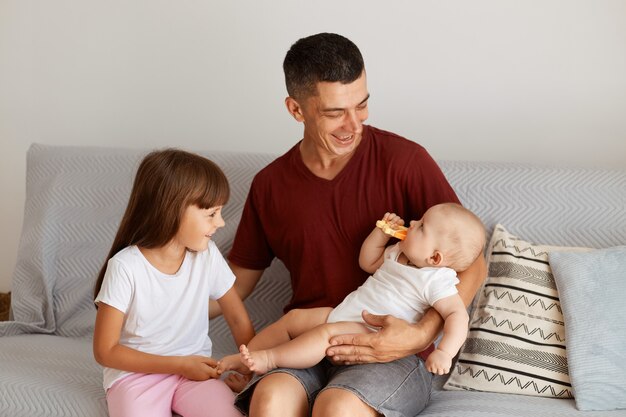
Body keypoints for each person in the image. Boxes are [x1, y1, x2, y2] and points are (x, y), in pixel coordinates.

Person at [218, 32, 487, 417]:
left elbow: (472, 264)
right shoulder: (269, 185)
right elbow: (234, 282)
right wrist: (154, 283)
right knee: (271, 400)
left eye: (361, 106)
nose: (353, 125)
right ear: (296, 109)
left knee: (337, 408)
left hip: (388, 349)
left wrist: (421, 335)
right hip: (311, 338)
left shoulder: (405, 161)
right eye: (334, 113)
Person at [218, 203, 485, 378]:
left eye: (422, 226)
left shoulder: (436, 280)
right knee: (294, 318)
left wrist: (444, 352)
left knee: (326, 335)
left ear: (435, 258)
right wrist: (380, 235)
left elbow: (457, 316)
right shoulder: (397, 252)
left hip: (372, 330)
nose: (413, 222)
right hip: (348, 312)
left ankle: (270, 359)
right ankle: (246, 363)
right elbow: (367, 262)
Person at [92, 149, 254, 417]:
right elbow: (105, 351)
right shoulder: (125, 267)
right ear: (172, 210)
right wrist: (179, 365)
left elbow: (237, 319)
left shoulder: (207, 256)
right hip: (136, 378)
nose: (221, 223)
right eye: (212, 214)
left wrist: (252, 368)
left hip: (195, 374)